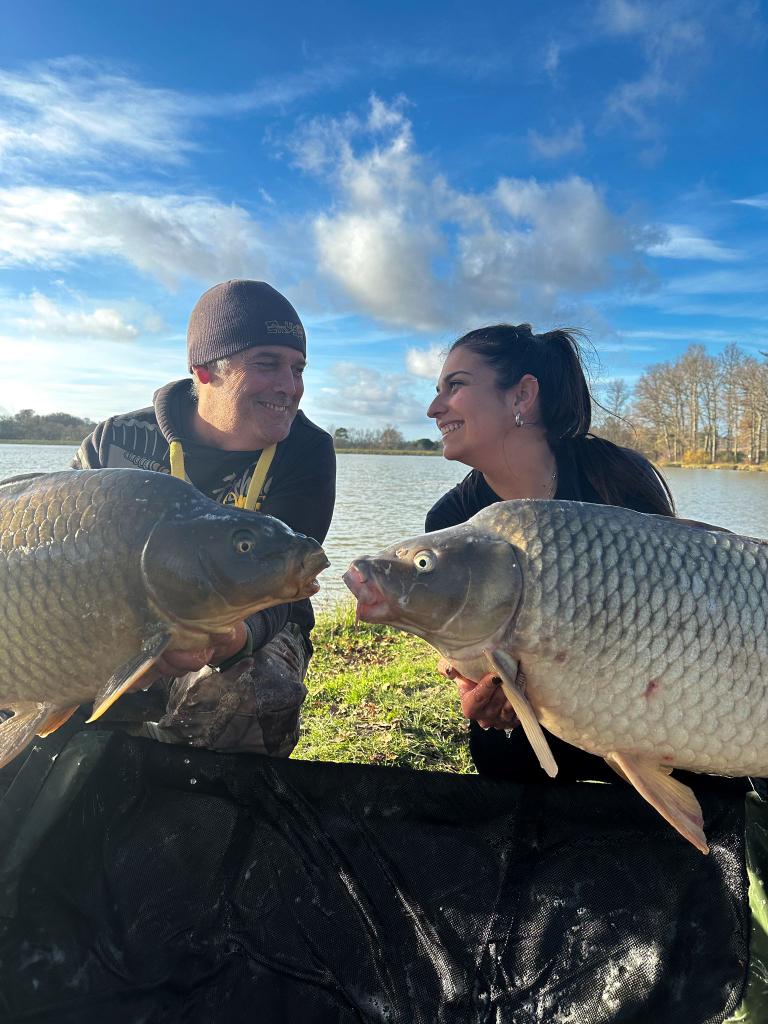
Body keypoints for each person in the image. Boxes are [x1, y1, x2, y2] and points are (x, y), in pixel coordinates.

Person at [73, 279, 336, 757]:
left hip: (251, 623)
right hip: (109, 614)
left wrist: (232, 639)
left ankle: (194, 804)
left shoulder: (308, 451)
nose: (290, 386)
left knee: (254, 692)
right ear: (204, 371)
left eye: (297, 368)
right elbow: (60, 563)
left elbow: (286, 587)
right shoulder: (117, 442)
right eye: (267, 364)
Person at [425, 323, 675, 783]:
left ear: (522, 396)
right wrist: (469, 681)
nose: (433, 408)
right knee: (498, 752)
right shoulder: (451, 525)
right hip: (547, 713)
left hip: (653, 691)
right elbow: (461, 655)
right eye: (437, 390)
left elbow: (683, 597)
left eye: (454, 386)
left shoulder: (615, 476)